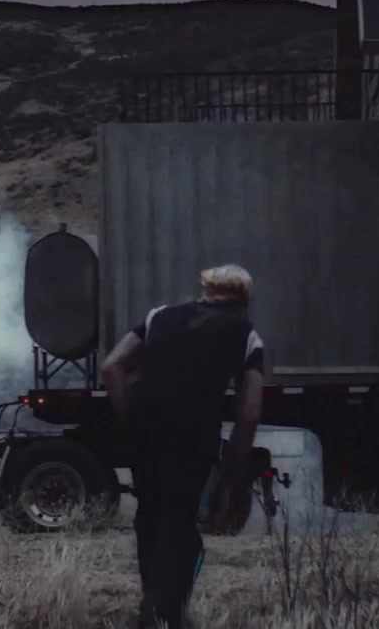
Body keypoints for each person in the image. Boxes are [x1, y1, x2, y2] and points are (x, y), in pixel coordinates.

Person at [101, 264, 267, 629]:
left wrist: (130, 420)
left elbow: (111, 367)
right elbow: (250, 413)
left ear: (205, 292)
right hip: (194, 438)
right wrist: (231, 475)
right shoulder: (246, 333)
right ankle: (164, 616)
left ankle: (154, 608)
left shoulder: (159, 316)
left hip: (144, 431)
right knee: (180, 526)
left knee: (149, 515)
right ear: (244, 301)